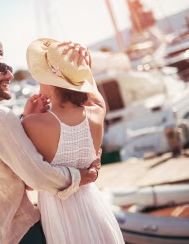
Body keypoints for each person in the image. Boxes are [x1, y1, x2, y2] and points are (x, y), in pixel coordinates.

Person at [0, 38, 101, 244]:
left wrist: (24, 121)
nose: (10, 75)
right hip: (21, 232)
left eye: (9, 68)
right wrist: (83, 177)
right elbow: (37, 177)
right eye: (1, 68)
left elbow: (0, 166)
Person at [23, 38, 124, 244]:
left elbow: (28, 183)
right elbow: (92, 93)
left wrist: (26, 117)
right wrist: (83, 67)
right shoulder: (97, 110)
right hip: (94, 205)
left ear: (50, 79)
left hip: (60, 216)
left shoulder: (33, 123)